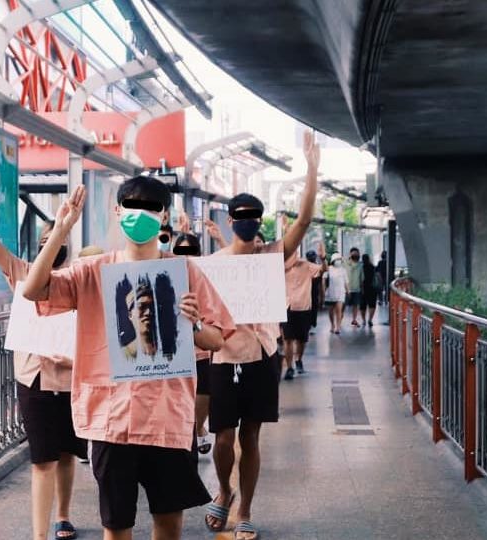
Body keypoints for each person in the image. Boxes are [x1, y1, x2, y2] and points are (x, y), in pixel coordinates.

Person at [22, 176, 236, 540]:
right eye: (132, 205)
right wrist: (60, 231)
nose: (141, 214)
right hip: (112, 421)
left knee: (169, 524)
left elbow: (217, 337)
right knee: (116, 526)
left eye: (151, 207)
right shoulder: (93, 272)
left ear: (163, 214)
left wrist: (193, 323)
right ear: (118, 211)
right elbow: (33, 290)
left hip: (167, 419)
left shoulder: (185, 272)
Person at [203, 131, 320, 540]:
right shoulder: (213, 265)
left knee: (251, 435)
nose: (250, 222)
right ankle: (223, 490)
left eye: (256, 215)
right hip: (224, 358)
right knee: (222, 437)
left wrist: (311, 169)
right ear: (231, 221)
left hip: (262, 357)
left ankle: (246, 509)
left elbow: (304, 220)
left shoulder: (271, 256)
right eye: (243, 215)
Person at [0, 164, 86, 540]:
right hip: (34, 379)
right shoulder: (21, 273)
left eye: (58, 243)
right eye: (45, 244)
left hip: (72, 379)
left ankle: (64, 516)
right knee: (42, 459)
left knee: (68, 453)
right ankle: (40, 534)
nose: (51, 251)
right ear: (39, 249)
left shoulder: (78, 279)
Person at [172, 232, 213, 455]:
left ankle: (197, 427)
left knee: (204, 392)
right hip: (176, 351)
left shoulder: (203, 277)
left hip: (201, 349)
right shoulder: (164, 272)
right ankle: (190, 433)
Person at [281, 243, 326, 379]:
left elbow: (323, 270)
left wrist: (323, 258)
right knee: (287, 339)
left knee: (301, 339)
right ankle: (289, 368)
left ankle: (298, 359)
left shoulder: (306, 265)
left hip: (303, 307)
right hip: (286, 307)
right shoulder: (280, 267)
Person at [324, 253, 348, 334]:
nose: (338, 261)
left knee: (339, 310)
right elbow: (324, 280)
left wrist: (348, 291)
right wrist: (323, 291)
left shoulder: (343, 270)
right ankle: (332, 325)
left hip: (341, 293)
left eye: (340, 260)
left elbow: (346, 282)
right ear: (333, 261)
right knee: (331, 311)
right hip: (330, 293)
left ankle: (338, 327)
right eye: (337, 259)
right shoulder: (328, 269)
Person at [305, 249, 324, 332]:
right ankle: (308, 325)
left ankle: (312, 324)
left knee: (314, 308)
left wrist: (322, 294)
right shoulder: (304, 267)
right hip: (305, 291)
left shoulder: (318, 268)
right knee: (307, 309)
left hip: (314, 291)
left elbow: (321, 282)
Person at [345, 247, 364, 327]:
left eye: (357, 253)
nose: (355, 255)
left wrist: (362, 289)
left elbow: (361, 278)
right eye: (353, 253)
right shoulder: (346, 263)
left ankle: (354, 319)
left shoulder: (360, 265)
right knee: (342, 305)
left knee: (355, 305)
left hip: (356, 289)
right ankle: (339, 319)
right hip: (346, 289)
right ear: (350, 254)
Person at [360, 253, 379, 327]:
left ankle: (363, 320)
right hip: (372, 288)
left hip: (363, 288)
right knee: (372, 304)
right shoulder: (373, 267)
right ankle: (370, 319)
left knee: (363, 305)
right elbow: (377, 276)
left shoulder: (361, 268)